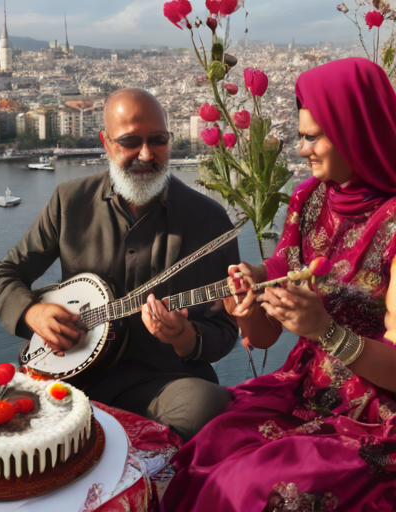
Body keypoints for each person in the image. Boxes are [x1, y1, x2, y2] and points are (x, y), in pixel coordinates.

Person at [162, 57, 396, 511]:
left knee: (249, 485)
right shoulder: (310, 201)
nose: (302, 150)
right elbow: (265, 334)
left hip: (375, 412)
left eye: (312, 137)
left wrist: (325, 332)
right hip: (305, 387)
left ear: (355, 131)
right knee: (207, 451)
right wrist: (247, 300)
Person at [0, 88, 240, 441]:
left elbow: (226, 328)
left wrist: (185, 337)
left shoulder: (209, 222)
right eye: (130, 141)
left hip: (162, 381)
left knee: (207, 403)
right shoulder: (69, 201)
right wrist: (33, 314)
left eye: (158, 140)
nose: (147, 154)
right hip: (69, 372)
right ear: (106, 143)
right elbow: (6, 274)